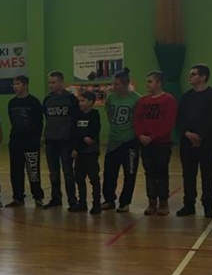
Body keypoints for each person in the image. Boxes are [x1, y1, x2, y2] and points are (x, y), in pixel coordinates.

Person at [176, 64, 212, 218]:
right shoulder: (186, 97)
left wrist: (199, 137)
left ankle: (208, 205)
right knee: (188, 174)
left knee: (207, 174)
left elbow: (211, 119)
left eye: (193, 74)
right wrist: (187, 134)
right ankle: (188, 204)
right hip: (187, 141)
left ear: (203, 77)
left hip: (206, 142)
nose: (190, 77)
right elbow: (179, 119)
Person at [134, 71, 178, 216]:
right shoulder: (143, 101)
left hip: (162, 143)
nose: (147, 84)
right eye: (147, 81)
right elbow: (137, 119)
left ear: (159, 83)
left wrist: (152, 137)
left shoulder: (168, 100)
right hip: (145, 143)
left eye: (150, 81)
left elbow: (168, 123)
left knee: (162, 173)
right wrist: (140, 135)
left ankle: (163, 202)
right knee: (149, 173)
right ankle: (152, 202)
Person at [101, 68, 140, 213]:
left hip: (130, 142)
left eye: (117, 84)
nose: (114, 87)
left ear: (126, 84)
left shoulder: (137, 99)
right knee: (109, 173)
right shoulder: (111, 98)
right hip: (113, 141)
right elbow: (109, 115)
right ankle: (109, 199)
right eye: (113, 84)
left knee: (130, 173)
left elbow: (139, 120)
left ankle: (125, 202)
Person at [42, 71, 80, 210]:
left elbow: (76, 121)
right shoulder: (47, 100)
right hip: (51, 141)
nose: (51, 85)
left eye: (53, 82)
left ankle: (72, 200)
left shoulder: (71, 99)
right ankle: (56, 198)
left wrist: (75, 144)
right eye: (49, 82)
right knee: (53, 173)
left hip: (66, 142)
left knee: (68, 172)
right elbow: (47, 118)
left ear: (61, 82)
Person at [6, 75, 44, 208]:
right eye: (14, 84)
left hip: (31, 142)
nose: (15, 87)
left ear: (25, 85)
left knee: (33, 171)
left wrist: (36, 139)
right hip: (16, 142)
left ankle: (38, 197)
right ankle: (18, 197)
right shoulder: (12, 103)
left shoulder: (34, 102)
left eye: (18, 84)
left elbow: (39, 122)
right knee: (16, 171)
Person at [71, 91, 102, 215]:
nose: (80, 103)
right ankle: (82, 203)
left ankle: (96, 204)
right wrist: (78, 145)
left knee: (94, 179)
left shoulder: (94, 115)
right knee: (79, 178)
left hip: (91, 152)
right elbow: (75, 132)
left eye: (83, 101)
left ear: (90, 102)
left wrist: (85, 138)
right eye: (79, 101)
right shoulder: (77, 115)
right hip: (79, 152)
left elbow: (93, 133)